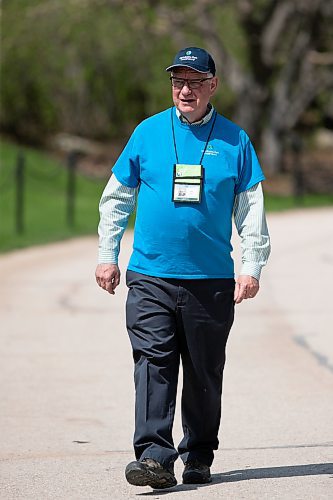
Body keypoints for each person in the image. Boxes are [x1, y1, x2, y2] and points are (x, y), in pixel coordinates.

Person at [95, 47, 271, 489]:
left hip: (210, 280)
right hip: (151, 274)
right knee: (153, 362)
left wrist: (251, 267)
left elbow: (251, 211)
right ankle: (154, 456)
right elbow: (116, 198)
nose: (185, 89)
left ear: (213, 85)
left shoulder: (235, 140)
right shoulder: (147, 132)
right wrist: (107, 255)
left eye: (194, 81)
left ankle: (198, 451)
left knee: (203, 370)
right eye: (178, 81)